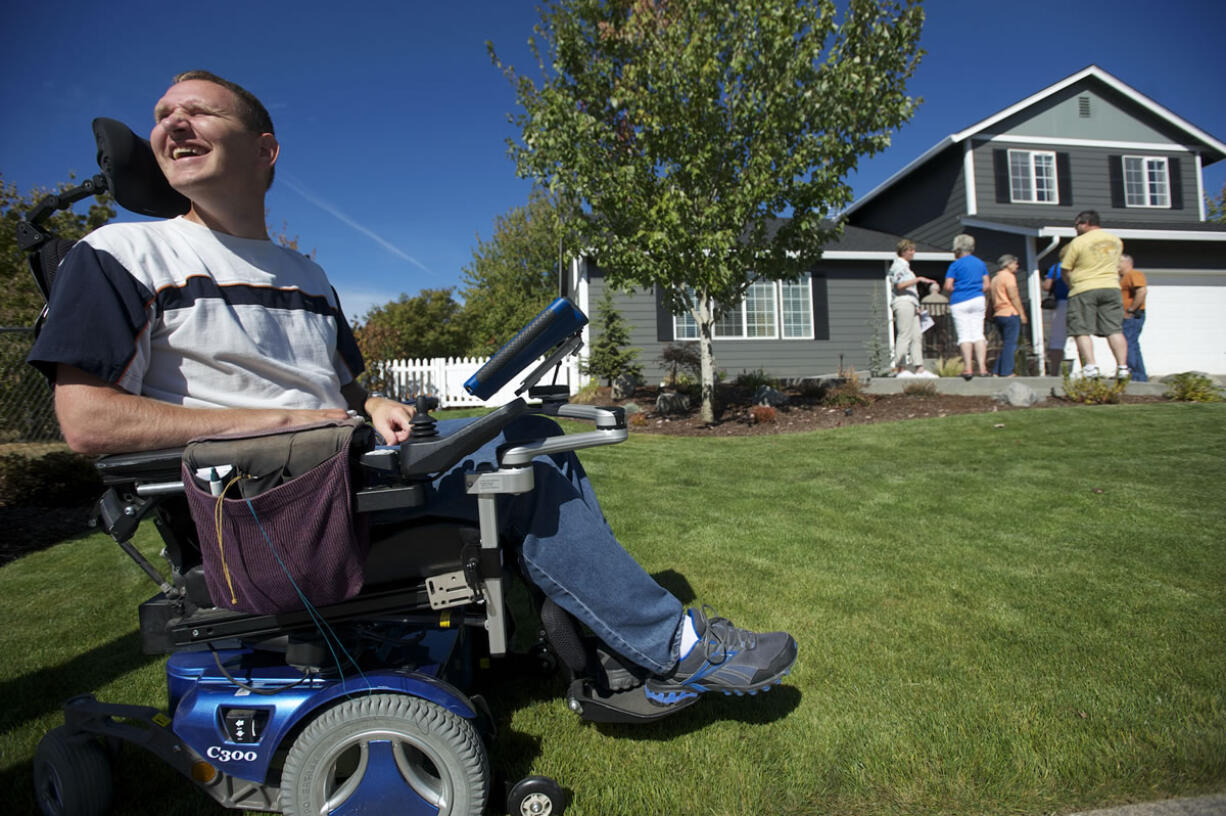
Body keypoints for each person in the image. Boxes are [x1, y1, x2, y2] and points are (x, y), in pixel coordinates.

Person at [27, 71, 796, 702]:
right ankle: (673, 647)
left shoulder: (307, 275)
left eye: (198, 110)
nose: (172, 124)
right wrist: (285, 422)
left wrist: (367, 403)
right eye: (163, 115)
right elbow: (86, 419)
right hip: (265, 504)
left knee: (530, 439)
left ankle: (610, 637)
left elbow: (338, 384)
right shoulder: (124, 251)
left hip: (346, 469)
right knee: (530, 469)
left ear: (265, 149)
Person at [1058, 210, 1129, 380]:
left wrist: (1071, 284)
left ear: (1085, 223)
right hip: (1111, 287)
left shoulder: (1078, 242)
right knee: (1114, 329)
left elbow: (1065, 269)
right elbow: (1120, 266)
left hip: (1084, 288)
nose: (1075, 228)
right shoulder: (1116, 241)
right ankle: (1122, 367)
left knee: (1081, 329)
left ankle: (1091, 367)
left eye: (1076, 225)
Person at [942, 233, 990, 379]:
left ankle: (968, 368)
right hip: (977, 299)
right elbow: (987, 285)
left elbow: (948, 286)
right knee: (978, 333)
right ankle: (983, 368)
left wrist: (958, 289)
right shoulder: (980, 263)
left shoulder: (955, 265)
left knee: (964, 335)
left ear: (957, 248)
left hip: (960, 300)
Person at [889, 238, 938, 377]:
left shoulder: (906, 267)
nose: (913, 252)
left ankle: (919, 368)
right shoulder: (898, 265)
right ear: (904, 251)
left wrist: (917, 305)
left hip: (911, 303)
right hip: (903, 302)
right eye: (911, 250)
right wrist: (919, 279)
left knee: (917, 335)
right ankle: (901, 368)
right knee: (904, 334)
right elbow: (899, 285)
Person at [989, 254, 1028, 377]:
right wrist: (1022, 313)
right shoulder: (1009, 277)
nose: (1017, 266)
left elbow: (990, 299)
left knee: (1006, 344)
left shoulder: (995, 279)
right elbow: (1013, 296)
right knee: (1011, 343)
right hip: (1009, 312)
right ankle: (1007, 371)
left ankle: (997, 370)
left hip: (998, 313)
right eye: (1015, 263)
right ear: (1007, 264)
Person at [1118, 254, 1148, 382]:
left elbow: (1142, 291)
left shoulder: (1134, 274)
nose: (1116, 265)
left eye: (1119, 262)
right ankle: (1138, 375)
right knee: (1131, 344)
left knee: (1128, 344)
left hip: (1132, 316)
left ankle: (1134, 374)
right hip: (1127, 316)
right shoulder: (1122, 278)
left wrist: (1131, 310)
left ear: (1127, 263)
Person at [1042, 262, 1070, 375]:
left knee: (1057, 340)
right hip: (1080, 301)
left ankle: (1054, 372)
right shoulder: (1082, 264)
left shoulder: (1056, 267)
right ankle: (1088, 367)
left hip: (1061, 303)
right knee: (1082, 336)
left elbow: (1047, 286)